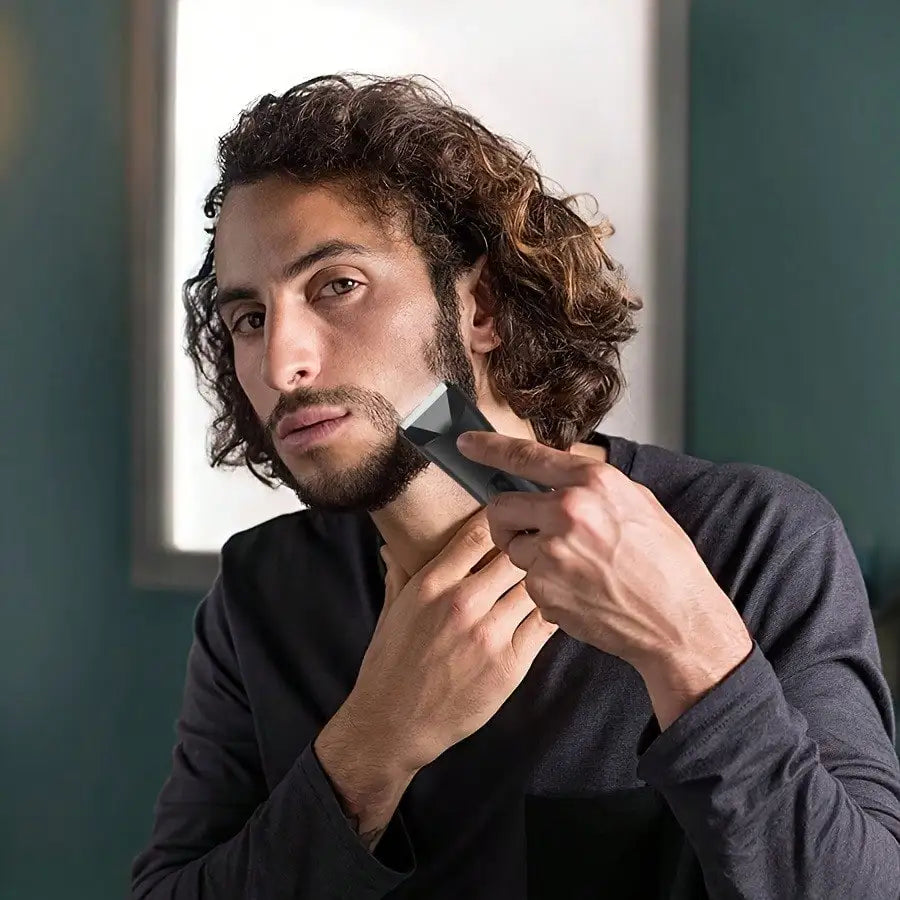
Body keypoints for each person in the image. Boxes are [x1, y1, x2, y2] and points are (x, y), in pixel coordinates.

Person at [131, 75, 900, 899]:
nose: (283, 363)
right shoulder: (261, 593)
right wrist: (371, 747)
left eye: (337, 285)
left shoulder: (755, 540)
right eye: (249, 318)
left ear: (481, 307)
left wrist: (691, 649)